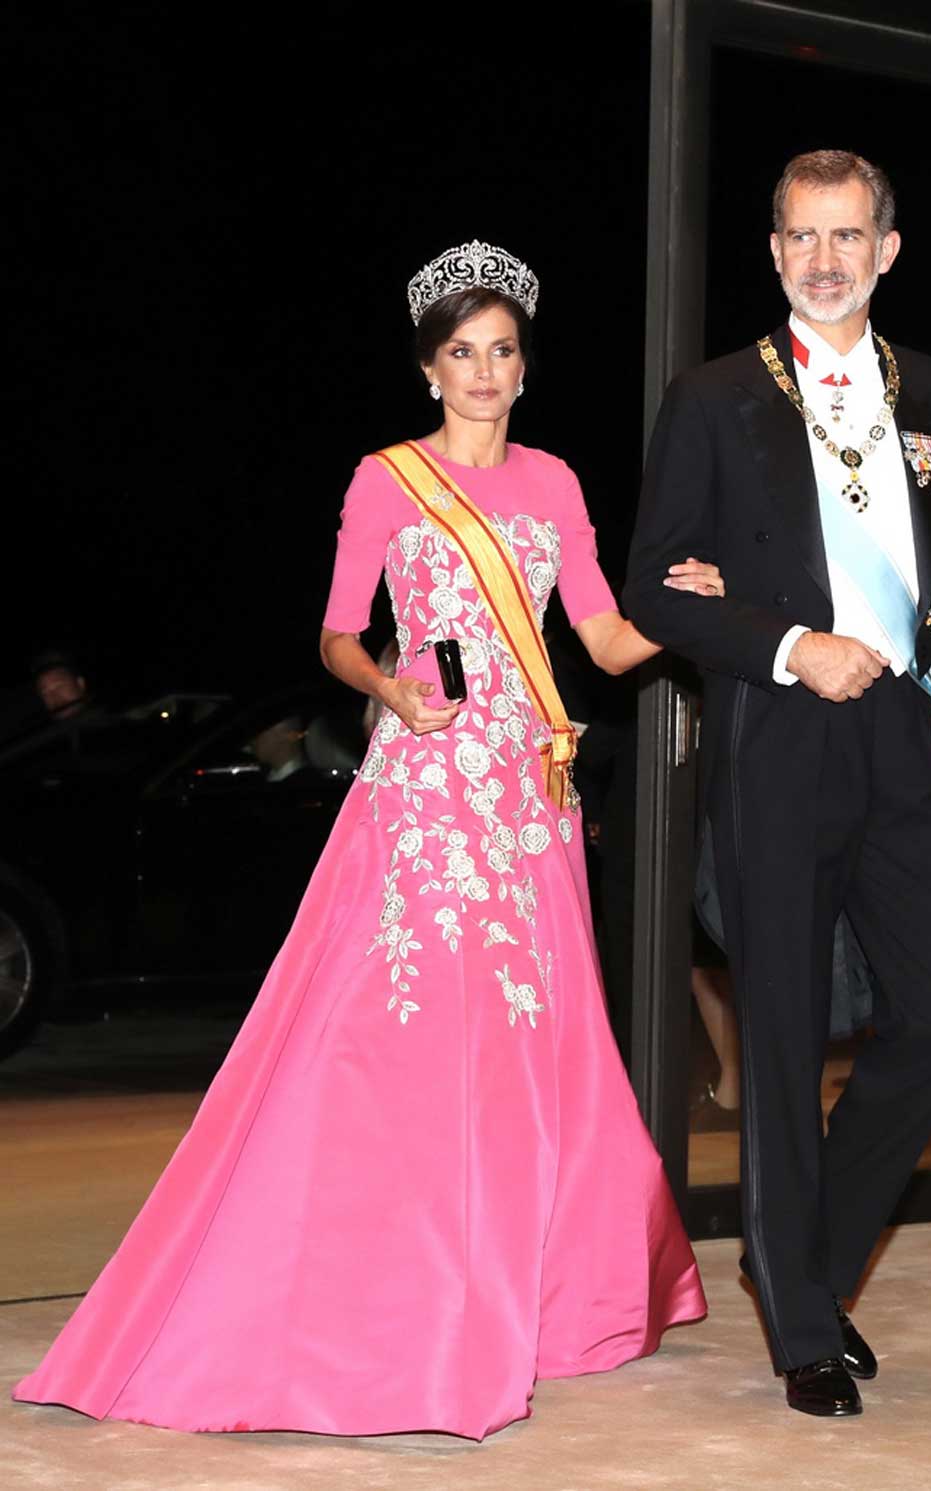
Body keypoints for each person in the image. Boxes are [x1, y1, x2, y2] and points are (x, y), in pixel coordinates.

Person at [14, 241, 719, 1441]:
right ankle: (396, 1287)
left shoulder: (553, 481)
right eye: (462, 353)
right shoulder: (387, 479)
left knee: (540, 1041)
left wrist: (685, 610)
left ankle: (551, 1288)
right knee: (396, 1038)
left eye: (502, 352)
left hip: (526, 793)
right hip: (424, 783)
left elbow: (598, 644)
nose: (484, 373)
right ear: (429, 365)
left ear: (524, 365)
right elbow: (341, 638)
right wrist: (387, 692)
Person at [624, 152, 931, 1418]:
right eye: (802, 236)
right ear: (774, 251)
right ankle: (803, 1324)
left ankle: (797, 1254)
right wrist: (791, 646)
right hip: (782, 743)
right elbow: (651, 587)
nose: (824, 257)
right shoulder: (711, 399)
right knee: (788, 1031)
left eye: (847, 235)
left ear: (887, 250)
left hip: (910, 741)